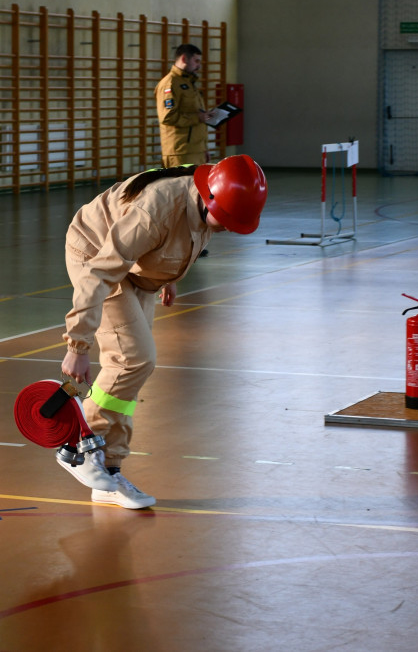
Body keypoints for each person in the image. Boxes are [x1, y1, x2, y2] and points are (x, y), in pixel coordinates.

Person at [58, 155, 268, 509]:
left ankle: (108, 472)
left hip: (137, 270)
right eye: (229, 220)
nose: (231, 227)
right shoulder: (156, 209)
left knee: (131, 371)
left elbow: (183, 238)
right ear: (210, 198)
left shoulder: (205, 203)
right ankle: (77, 446)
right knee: (133, 359)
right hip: (96, 255)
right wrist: (78, 345)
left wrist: (165, 278)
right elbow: (99, 272)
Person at [154, 44, 212, 168]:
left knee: (196, 187)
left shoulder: (189, 83)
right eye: (196, 61)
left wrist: (204, 149)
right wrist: (198, 117)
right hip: (180, 152)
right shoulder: (170, 83)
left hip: (196, 150)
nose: (198, 66)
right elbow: (168, 116)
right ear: (184, 59)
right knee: (180, 187)